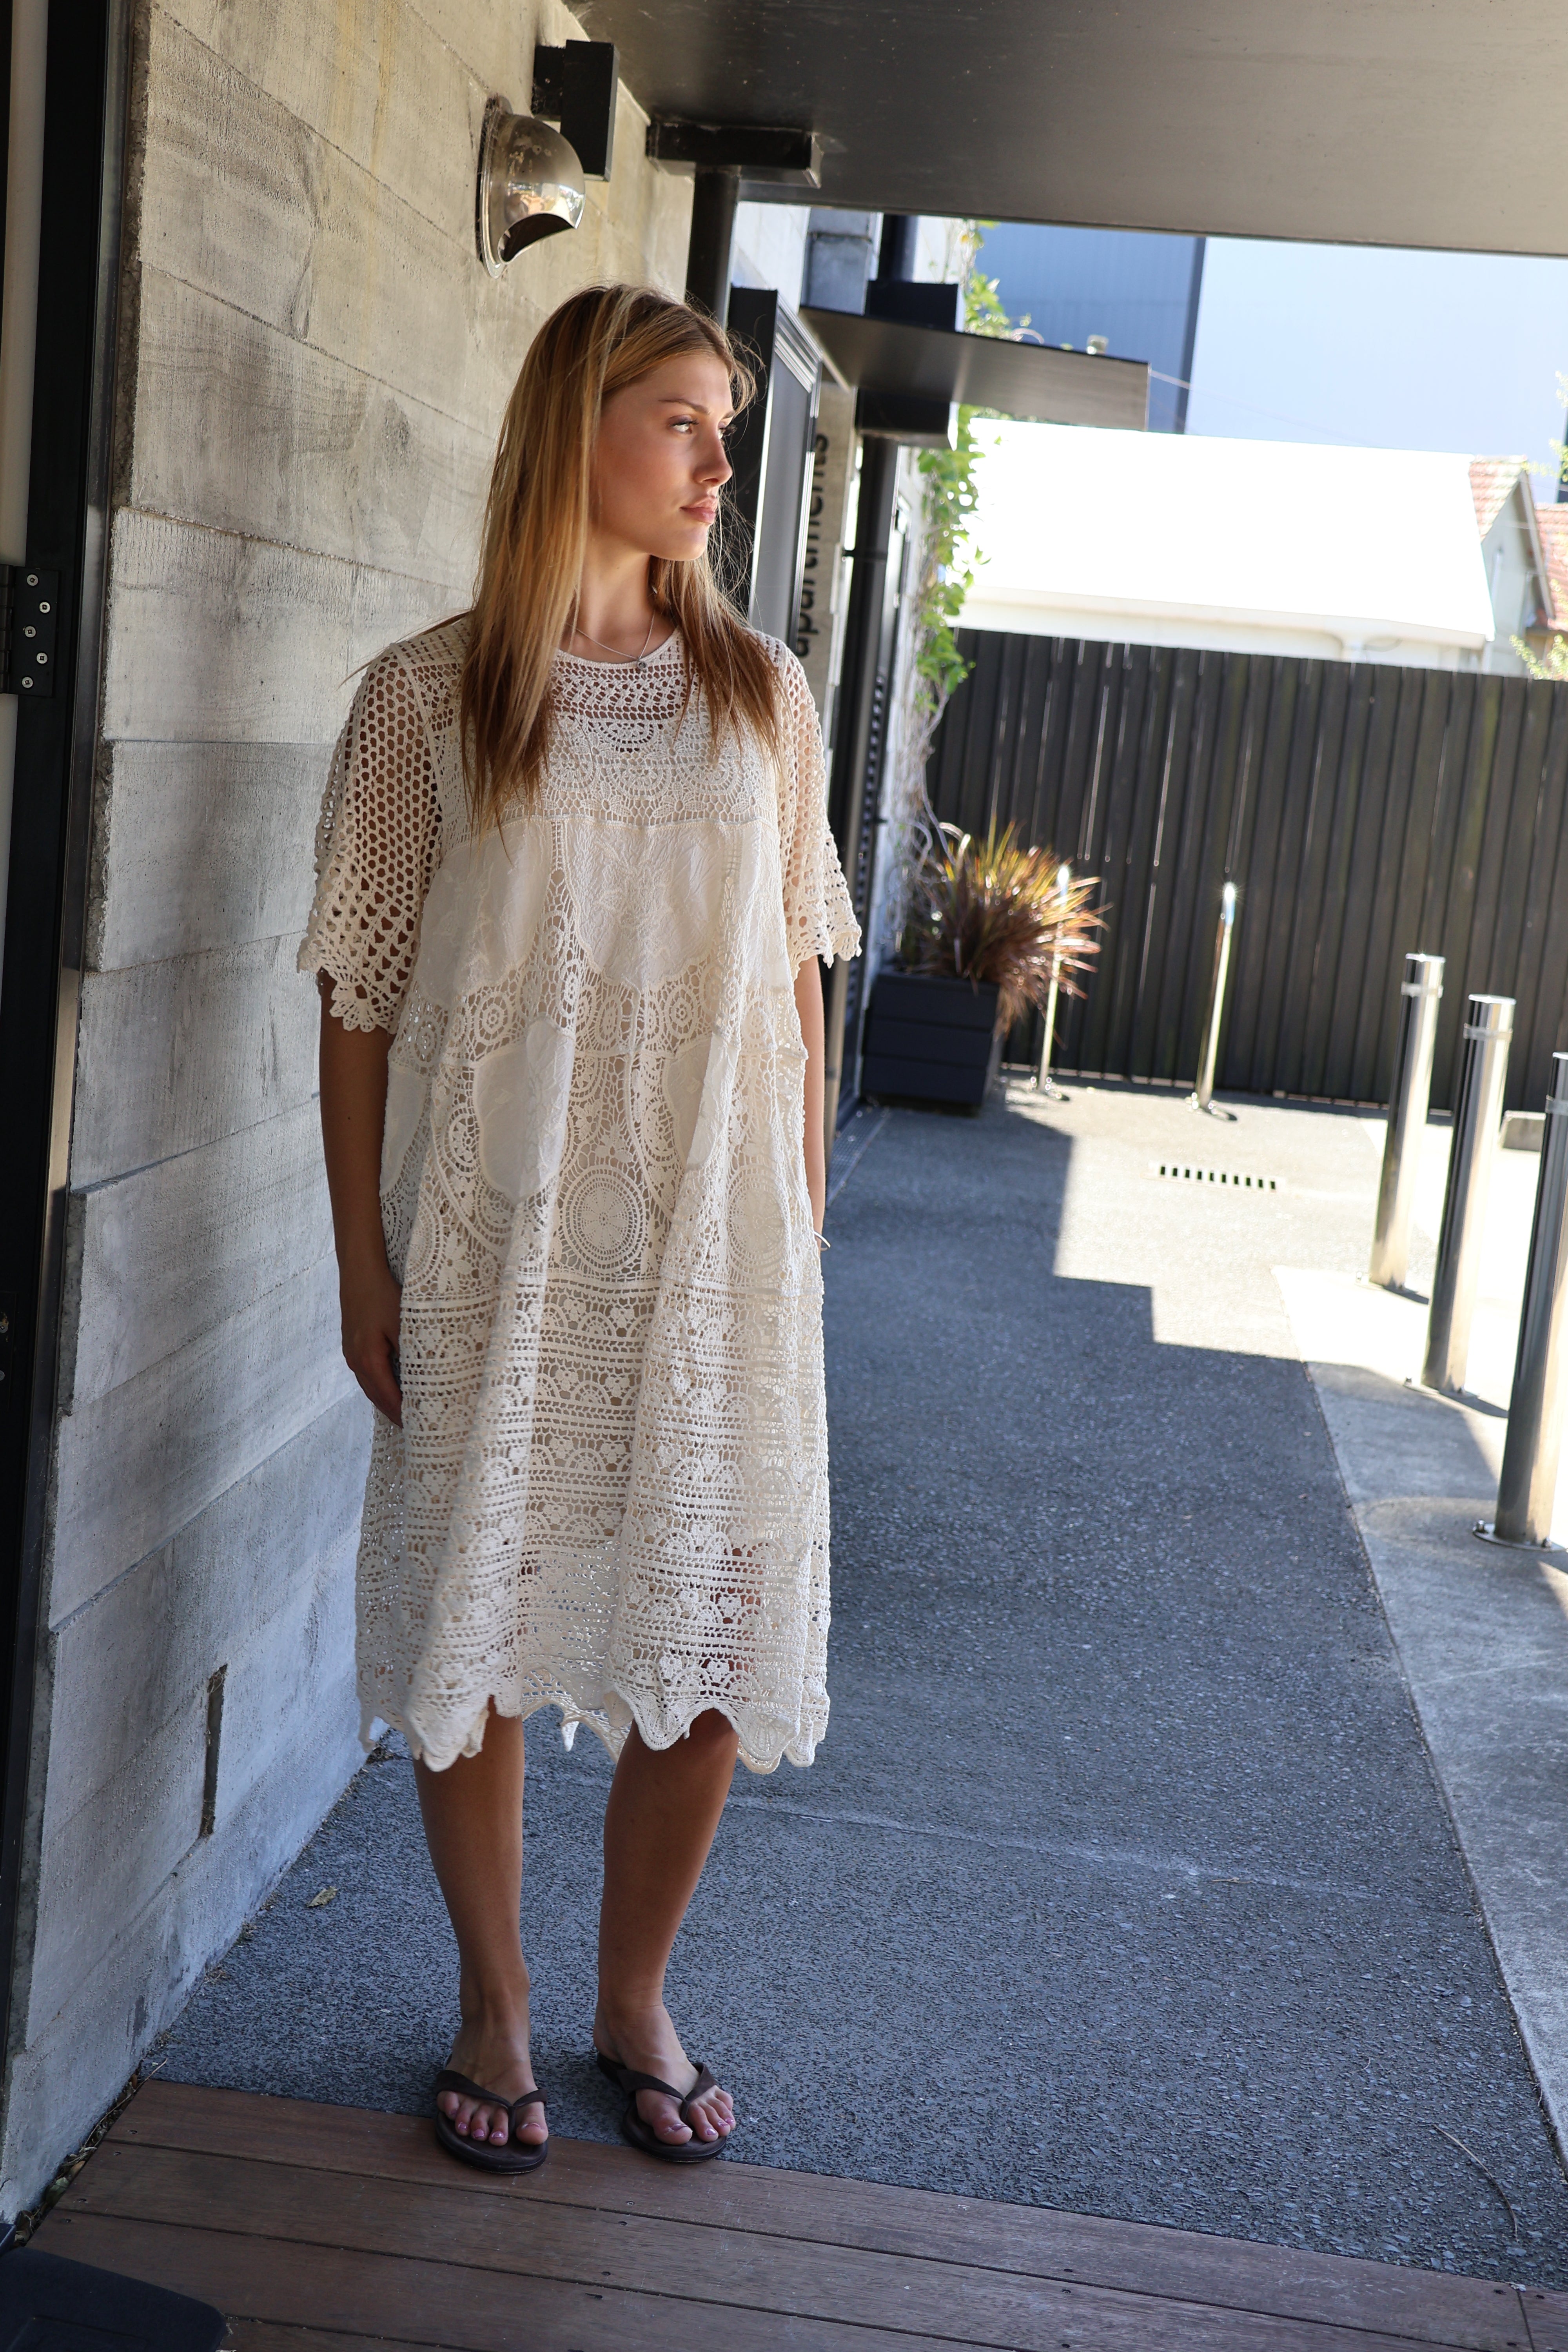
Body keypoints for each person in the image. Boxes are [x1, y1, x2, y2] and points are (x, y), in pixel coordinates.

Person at [301, 285, 859, 2172]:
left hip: (715, 1262)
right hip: (493, 1246)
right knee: (478, 1619)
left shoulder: (761, 694)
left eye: (725, 430)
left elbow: (796, 984)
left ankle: (634, 1999)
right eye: (682, 420)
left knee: (709, 1630)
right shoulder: (428, 695)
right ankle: (495, 1999)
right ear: (578, 427)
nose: (717, 464)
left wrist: (794, 1245)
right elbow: (359, 994)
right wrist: (363, 1263)